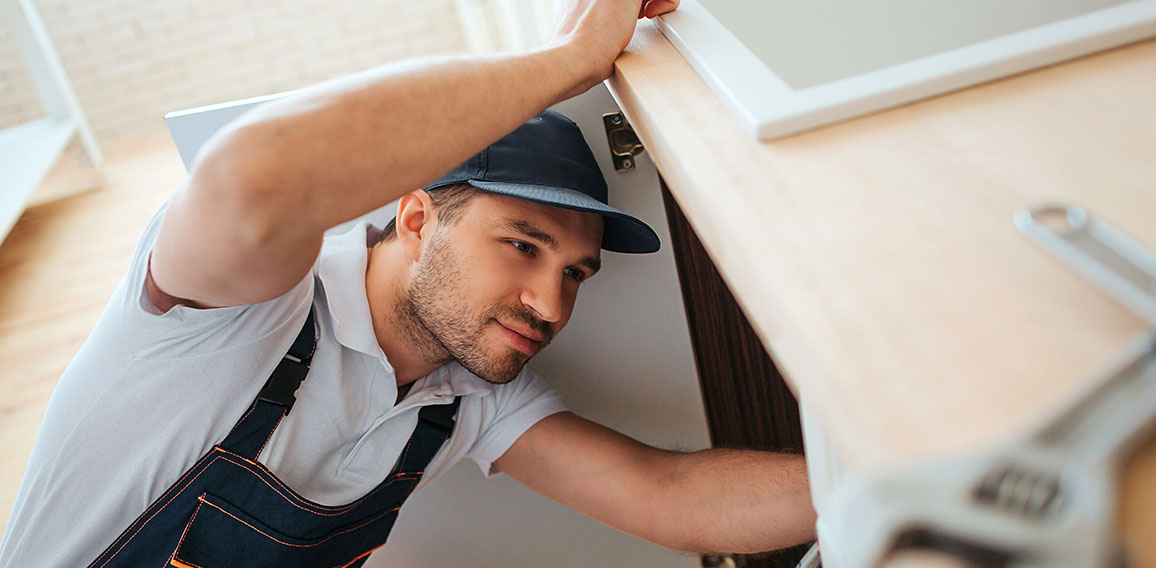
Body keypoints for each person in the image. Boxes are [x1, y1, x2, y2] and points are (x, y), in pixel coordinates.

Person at [0, 0, 817, 565]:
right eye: (523, 245)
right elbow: (252, 177)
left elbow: (670, 498)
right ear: (418, 217)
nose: (552, 303)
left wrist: (896, 473)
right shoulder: (248, 314)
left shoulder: (459, 395)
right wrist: (566, 64)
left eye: (575, 272)